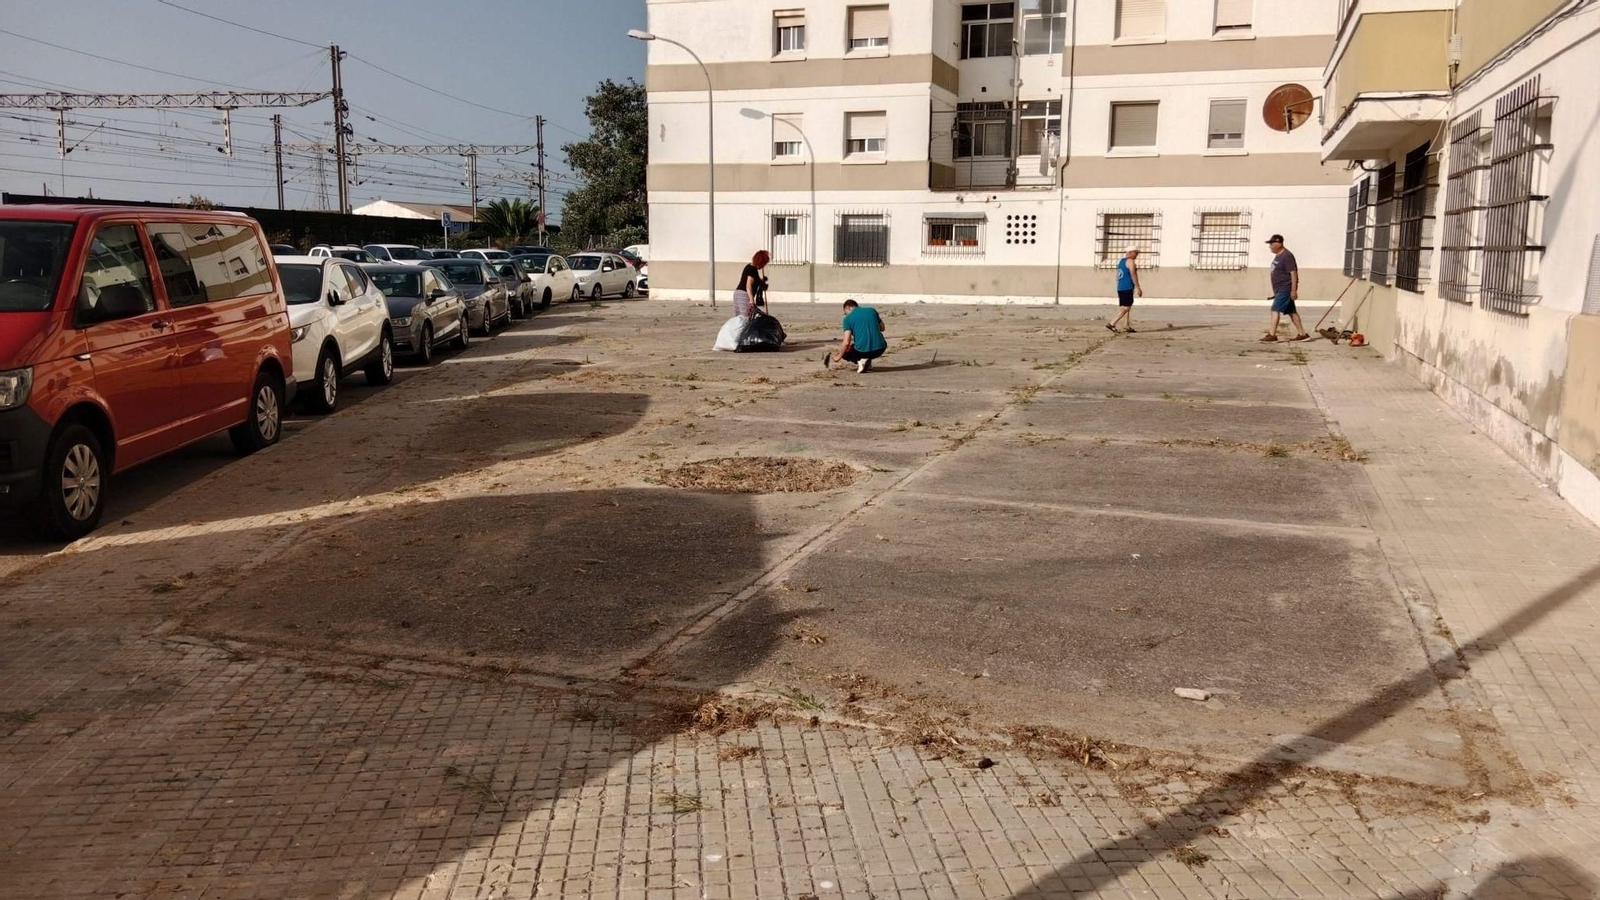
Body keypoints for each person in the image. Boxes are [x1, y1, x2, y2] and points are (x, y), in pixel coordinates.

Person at [1260, 234, 1310, 342]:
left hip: (1285, 289)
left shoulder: (1287, 256)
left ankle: (1272, 335)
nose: (1270, 246)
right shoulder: (1279, 256)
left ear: (1278, 244)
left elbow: (1293, 273)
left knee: (1275, 309)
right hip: (1279, 289)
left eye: (1271, 244)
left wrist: (1293, 290)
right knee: (1292, 312)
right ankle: (1303, 334)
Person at [823, 299, 887, 374]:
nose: (846, 314)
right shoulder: (872, 311)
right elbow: (882, 328)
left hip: (863, 351)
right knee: (870, 341)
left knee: (846, 351)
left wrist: (838, 356)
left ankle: (861, 361)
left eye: (845, 312)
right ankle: (867, 363)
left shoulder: (847, 319)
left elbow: (846, 342)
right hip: (880, 348)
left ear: (848, 307)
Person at [1107, 247, 1143, 334]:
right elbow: (1133, 274)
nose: (1136, 255)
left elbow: (1118, 275)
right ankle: (1112, 323)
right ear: (1130, 253)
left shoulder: (1121, 261)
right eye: (1135, 253)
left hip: (1121, 287)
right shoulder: (1130, 261)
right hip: (1127, 287)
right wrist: (1138, 287)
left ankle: (1126, 325)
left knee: (1125, 306)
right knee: (1126, 307)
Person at [733, 251, 770, 319]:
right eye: (763, 264)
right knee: (745, 319)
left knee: (739, 319)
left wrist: (762, 282)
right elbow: (748, 286)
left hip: (738, 294)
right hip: (744, 295)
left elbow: (755, 282)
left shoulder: (749, 267)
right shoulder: (753, 270)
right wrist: (751, 301)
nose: (763, 266)